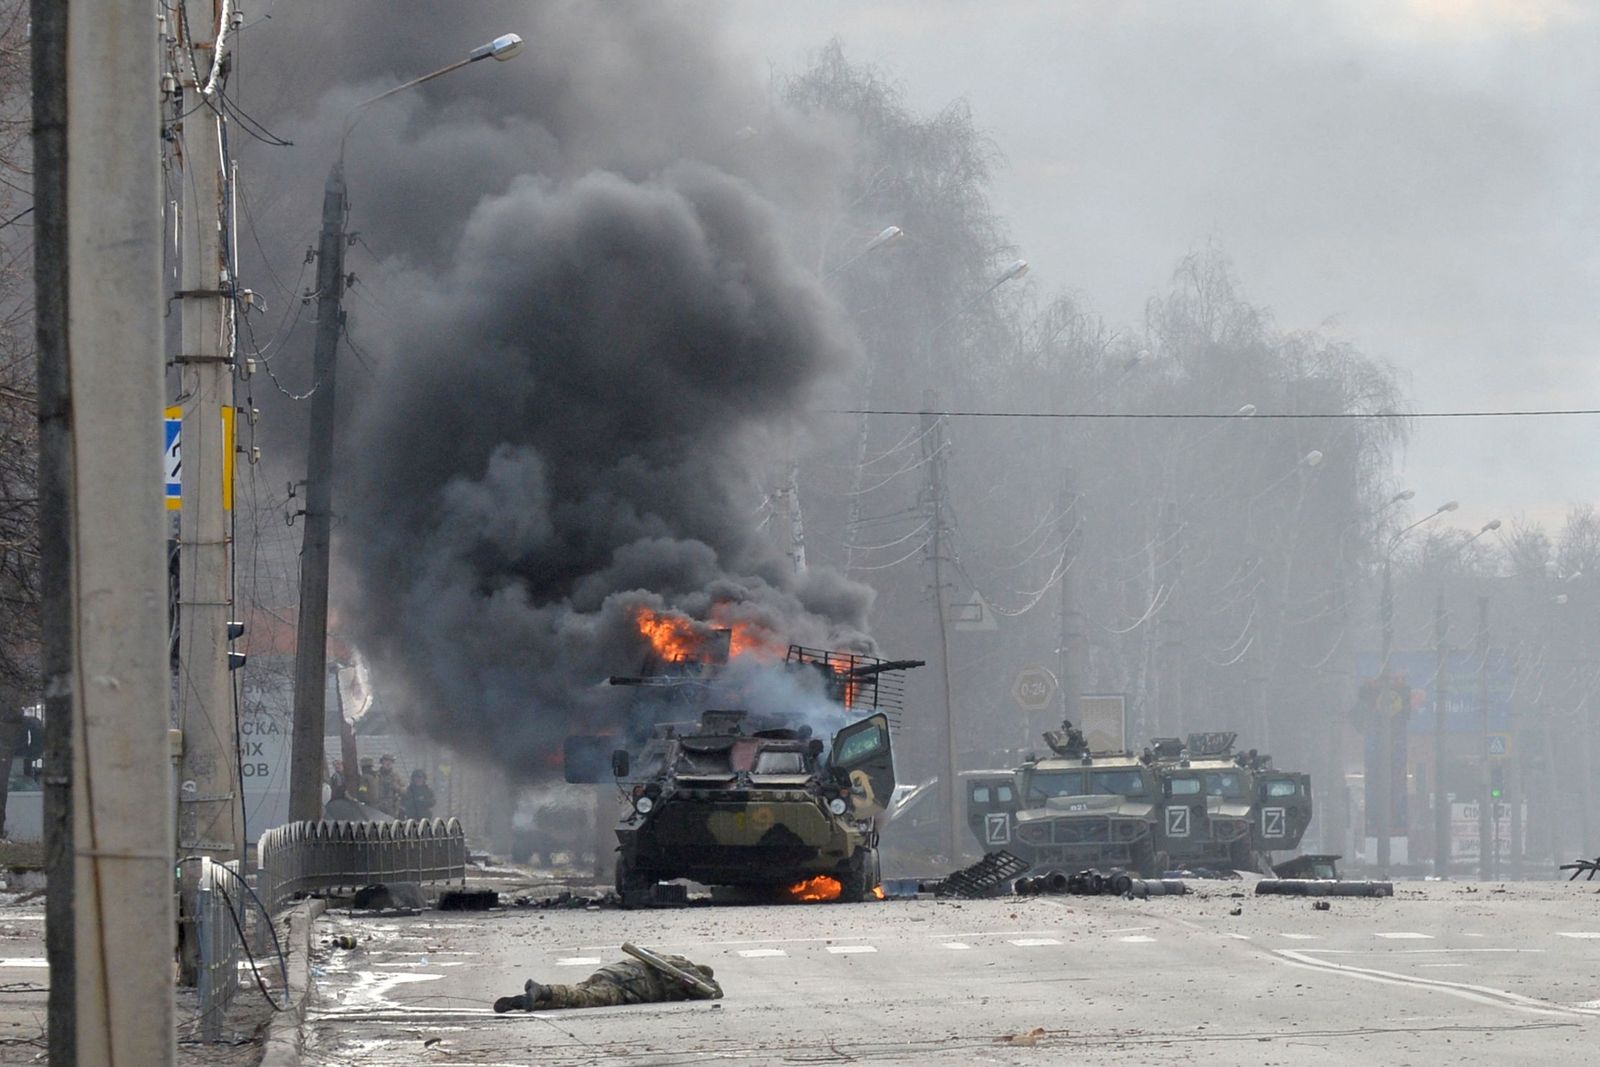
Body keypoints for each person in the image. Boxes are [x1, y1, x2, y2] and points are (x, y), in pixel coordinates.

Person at [492, 954, 721, 1012]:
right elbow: (715, 992)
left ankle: (528, 1001)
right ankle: (544, 990)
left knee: (580, 993)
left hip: (614, 972)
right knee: (587, 998)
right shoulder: (688, 972)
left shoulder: (670, 959)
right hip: (632, 985)